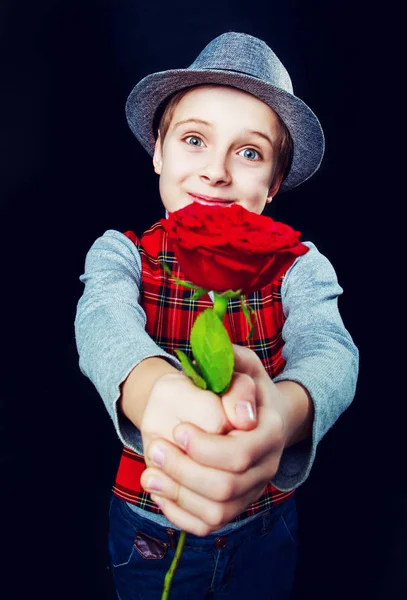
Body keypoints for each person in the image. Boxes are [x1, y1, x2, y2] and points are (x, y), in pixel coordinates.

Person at [75, 32, 359, 599]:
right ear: (159, 150)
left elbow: (332, 350)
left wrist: (282, 411)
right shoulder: (121, 252)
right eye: (195, 140)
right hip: (150, 525)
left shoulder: (300, 264)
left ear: (274, 183)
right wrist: (157, 392)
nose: (217, 172)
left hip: (267, 525)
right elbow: (102, 320)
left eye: (249, 152)